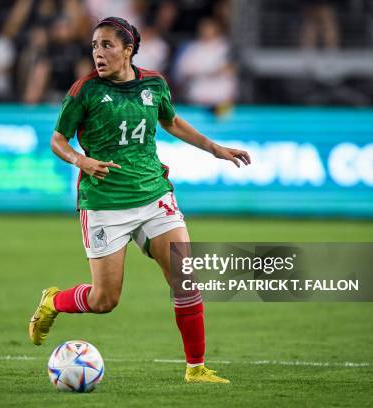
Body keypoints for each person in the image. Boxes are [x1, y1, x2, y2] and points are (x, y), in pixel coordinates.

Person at [28, 16, 250, 384]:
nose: (98, 53)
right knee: (104, 301)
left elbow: (172, 122)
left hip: (153, 195)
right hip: (104, 202)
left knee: (185, 278)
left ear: (128, 49)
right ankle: (54, 300)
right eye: (95, 46)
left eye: (107, 45)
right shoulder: (84, 91)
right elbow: (58, 140)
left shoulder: (154, 84)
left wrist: (213, 147)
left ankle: (196, 368)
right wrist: (80, 160)